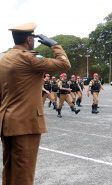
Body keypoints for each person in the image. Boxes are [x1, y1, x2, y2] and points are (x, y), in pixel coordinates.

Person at [0, 23, 71, 185]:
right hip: (26, 123)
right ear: (29, 40)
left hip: (7, 122)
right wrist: (54, 45)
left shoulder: (4, 59)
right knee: (24, 172)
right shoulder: (30, 58)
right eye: (33, 39)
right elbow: (64, 64)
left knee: (10, 169)